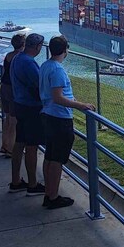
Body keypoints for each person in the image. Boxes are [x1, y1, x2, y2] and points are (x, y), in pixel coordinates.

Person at [39, 35, 94, 209]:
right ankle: (53, 197)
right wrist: (81, 105)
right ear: (65, 50)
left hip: (47, 115)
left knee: (49, 156)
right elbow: (58, 98)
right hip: (59, 119)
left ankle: (49, 193)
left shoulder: (45, 65)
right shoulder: (57, 70)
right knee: (57, 160)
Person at [9, 33, 46, 195]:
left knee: (19, 143)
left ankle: (15, 181)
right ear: (38, 47)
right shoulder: (29, 63)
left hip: (19, 105)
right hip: (31, 108)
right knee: (32, 146)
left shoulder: (17, 58)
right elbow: (40, 86)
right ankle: (32, 184)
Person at [0, 33, 25, 157]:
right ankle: (11, 148)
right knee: (14, 121)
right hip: (13, 89)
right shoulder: (19, 57)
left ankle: (4, 145)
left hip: (4, 87)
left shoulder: (8, 55)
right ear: (23, 44)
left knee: (7, 118)